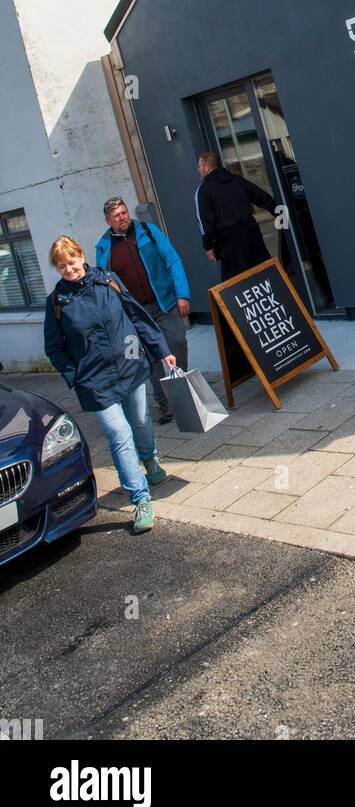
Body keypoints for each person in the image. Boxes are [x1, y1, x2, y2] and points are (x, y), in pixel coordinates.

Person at [43, 235, 175, 535]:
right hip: (95, 382)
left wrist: (162, 351)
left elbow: (137, 317)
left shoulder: (108, 281)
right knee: (119, 434)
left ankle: (150, 458)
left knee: (141, 421)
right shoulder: (57, 303)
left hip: (130, 366)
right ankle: (140, 498)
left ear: (81, 255)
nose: (68, 269)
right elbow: (54, 348)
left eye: (72, 262)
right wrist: (75, 377)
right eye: (61, 266)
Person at [95, 198, 190, 425]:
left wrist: (182, 294)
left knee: (177, 343)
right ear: (108, 220)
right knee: (150, 358)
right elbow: (104, 285)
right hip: (135, 314)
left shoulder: (147, 231)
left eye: (124, 212)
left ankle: (182, 392)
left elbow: (172, 260)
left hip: (164, 303)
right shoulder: (104, 247)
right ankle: (165, 403)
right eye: (117, 215)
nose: (123, 217)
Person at [194, 150, 277, 279]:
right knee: (265, 274)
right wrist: (278, 211)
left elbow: (206, 222)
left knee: (236, 285)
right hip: (252, 235)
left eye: (199, 166)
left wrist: (208, 246)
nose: (198, 169)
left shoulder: (204, 190)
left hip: (230, 244)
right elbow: (260, 196)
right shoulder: (236, 180)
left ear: (207, 166)